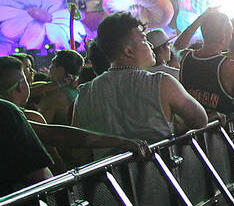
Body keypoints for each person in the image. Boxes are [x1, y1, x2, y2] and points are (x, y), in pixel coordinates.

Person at [72, 12, 208, 155]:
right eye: (144, 40)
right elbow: (200, 119)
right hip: (162, 171)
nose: (149, 45)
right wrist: (178, 128)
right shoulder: (162, 83)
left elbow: (79, 148)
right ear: (128, 51)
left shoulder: (85, 93)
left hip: (109, 176)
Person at [1, 54, 153, 169]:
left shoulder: (58, 95)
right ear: (21, 86)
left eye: (53, 64)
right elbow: (58, 137)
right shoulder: (15, 115)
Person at [173, 8, 234, 117]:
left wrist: (201, 19)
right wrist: (233, 104)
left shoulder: (185, 57)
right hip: (224, 131)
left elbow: (176, 46)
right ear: (224, 36)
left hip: (192, 128)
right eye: (231, 33)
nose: (231, 37)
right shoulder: (231, 67)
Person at [28, 50, 83, 125]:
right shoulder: (78, 89)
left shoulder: (55, 95)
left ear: (61, 69)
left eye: (52, 64)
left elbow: (41, 127)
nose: (49, 68)